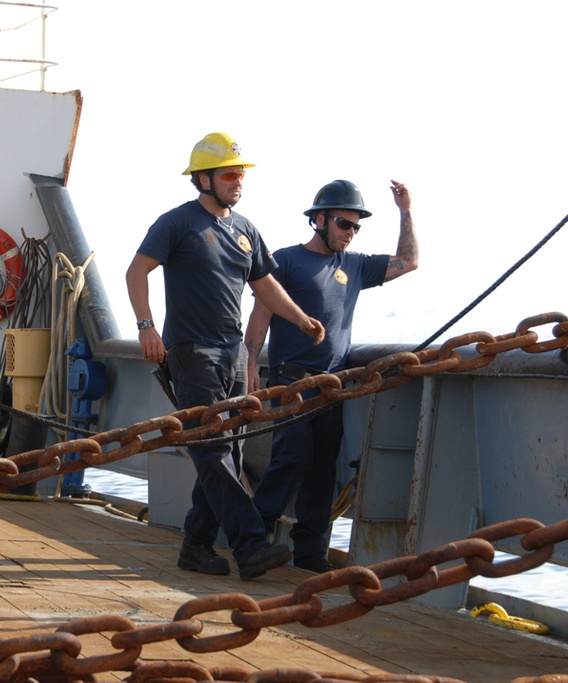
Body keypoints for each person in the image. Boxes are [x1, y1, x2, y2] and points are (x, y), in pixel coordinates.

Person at [125, 132, 326, 580]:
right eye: (229, 174)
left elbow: (265, 285)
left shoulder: (245, 229)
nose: (238, 181)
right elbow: (136, 271)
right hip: (192, 353)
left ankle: (196, 546)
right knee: (213, 453)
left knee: (227, 454)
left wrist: (299, 318)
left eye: (241, 174)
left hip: (232, 355)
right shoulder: (176, 223)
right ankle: (251, 546)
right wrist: (146, 327)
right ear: (202, 179)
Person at [245, 179, 418, 573]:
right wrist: (251, 364)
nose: (350, 233)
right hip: (291, 381)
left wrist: (405, 210)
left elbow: (409, 261)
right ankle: (252, 539)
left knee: (323, 467)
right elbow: (261, 315)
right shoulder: (284, 261)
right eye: (344, 224)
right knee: (291, 456)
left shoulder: (355, 265)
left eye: (356, 226)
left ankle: (309, 554)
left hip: (333, 385)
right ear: (319, 220)